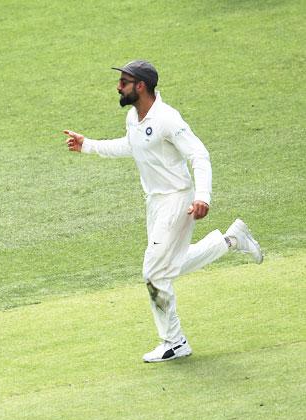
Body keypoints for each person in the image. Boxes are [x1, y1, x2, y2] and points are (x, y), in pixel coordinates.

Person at [63, 60, 263, 362]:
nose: (118, 87)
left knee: (154, 272)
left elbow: (199, 154)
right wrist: (87, 145)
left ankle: (174, 341)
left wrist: (203, 197)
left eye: (124, 82)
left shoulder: (168, 119)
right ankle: (230, 241)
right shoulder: (134, 117)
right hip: (155, 203)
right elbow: (132, 146)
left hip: (177, 202)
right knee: (169, 266)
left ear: (140, 86)